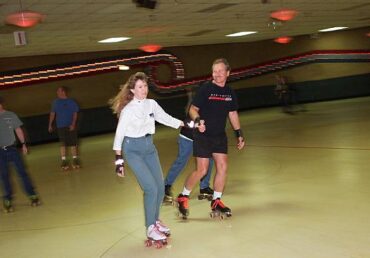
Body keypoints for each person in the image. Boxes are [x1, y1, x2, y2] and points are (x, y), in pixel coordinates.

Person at [110, 72, 184, 247]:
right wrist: (119, 161)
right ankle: (150, 227)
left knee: (159, 186)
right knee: (150, 188)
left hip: (149, 148)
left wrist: (183, 123)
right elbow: (119, 134)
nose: (144, 90)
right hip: (132, 149)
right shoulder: (128, 110)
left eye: (145, 86)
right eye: (140, 87)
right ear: (133, 90)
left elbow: (164, 118)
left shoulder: (151, 104)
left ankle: (155, 220)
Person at [177, 58, 245, 219]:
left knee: (223, 167)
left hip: (219, 135)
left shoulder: (230, 92)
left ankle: (216, 201)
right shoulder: (206, 89)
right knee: (202, 170)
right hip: (203, 134)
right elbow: (192, 109)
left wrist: (239, 133)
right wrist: (198, 120)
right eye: (215, 71)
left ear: (228, 73)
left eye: (221, 71)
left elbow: (233, 113)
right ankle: (183, 196)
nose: (217, 74)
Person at [164, 87, 214, 204]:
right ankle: (166, 185)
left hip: (202, 138)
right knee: (181, 161)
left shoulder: (213, 104)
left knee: (209, 160)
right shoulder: (197, 104)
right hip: (187, 137)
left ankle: (204, 187)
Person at [0, 96, 41, 213]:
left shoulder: (10, 115)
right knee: (4, 176)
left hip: (12, 149)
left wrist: (23, 144)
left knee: (22, 173)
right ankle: (7, 199)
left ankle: (32, 195)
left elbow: (18, 130)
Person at [48, 86, 81, 170]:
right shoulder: (55, 102)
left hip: (70, 126)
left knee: (73, 144)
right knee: (62, 143)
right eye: (57, 92)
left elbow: (75, 113)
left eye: (59, 91)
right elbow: (52, 113)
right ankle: (64, 161)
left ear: (63, 92)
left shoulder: (71, 102)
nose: (57, 93)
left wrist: (73, 124)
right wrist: (50, 124)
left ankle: (75, 160)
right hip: (60, 126)